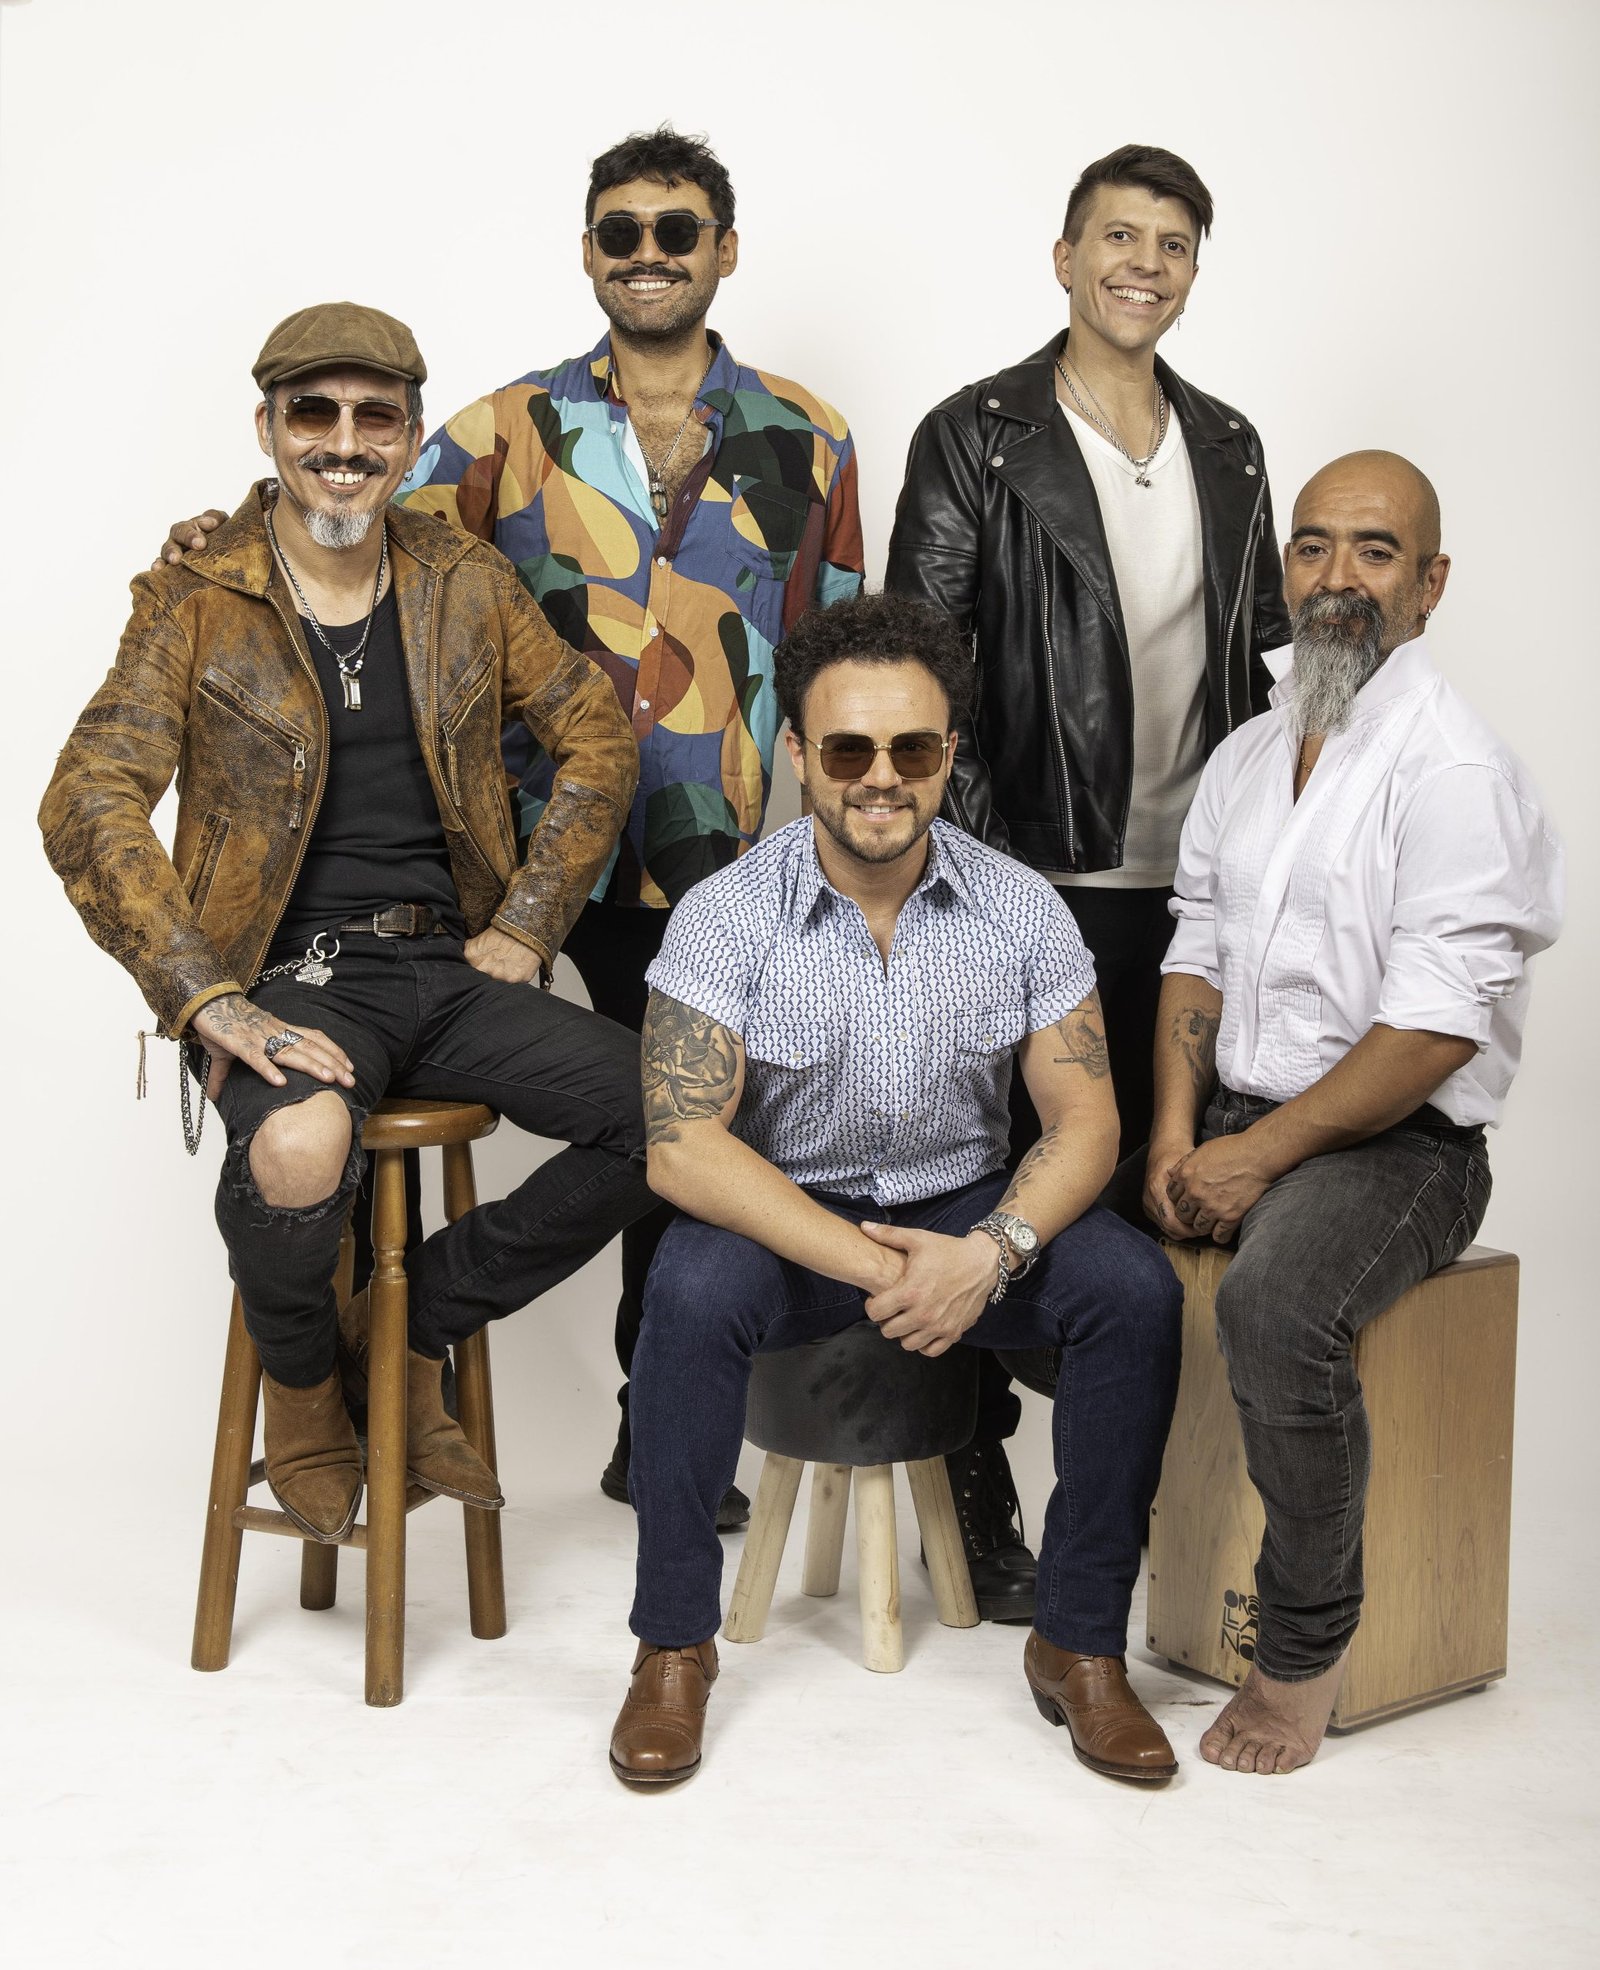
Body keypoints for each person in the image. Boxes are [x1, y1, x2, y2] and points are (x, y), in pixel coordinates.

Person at [159, 129, 864, 1528]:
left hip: (714, 859)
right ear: (588, 250)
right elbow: (343, 528)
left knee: (690, 1124)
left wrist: (837, 840)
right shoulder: (490, 432)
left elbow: (832, 652)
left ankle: (659, 1426)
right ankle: (356, 1360)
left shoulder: (810, 435)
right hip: (516, 863)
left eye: (678, 230)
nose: (649, 254)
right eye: (622, 231)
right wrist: (212, 544)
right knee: (609, 1118)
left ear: (724, 249)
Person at [45, 302, 654, 1542]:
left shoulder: (462, 578)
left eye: (375, 417)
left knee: (677, 1112)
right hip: (285, 973)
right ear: (267, 427)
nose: (343, 441)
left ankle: (407, 1324)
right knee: (300, 1145)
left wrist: (531, 919)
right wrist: (203, 993)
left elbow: (596, 734)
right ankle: (306, 1385)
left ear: (410, 438)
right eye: (312, 413)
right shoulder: (194, 595)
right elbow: (87, 795)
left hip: (450, 961)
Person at [607, 593, 1184, 1790]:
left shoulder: (1019, 905)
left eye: (912, 748)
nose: (881, 777)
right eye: (848, 749)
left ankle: (1080, 1643)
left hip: (968, 1208)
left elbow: (1087, 1120)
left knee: (1133, 1292)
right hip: (790, 1220)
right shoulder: (727, 914)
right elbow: (683, 1148)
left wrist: (990, 1251)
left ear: (948, 754)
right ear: (799, 752)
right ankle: (671, 1645)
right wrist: (886, 1268)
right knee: (688, 1292)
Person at [885, 144, 1291, 1623]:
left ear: (1192, 271)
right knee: (1001, 1171)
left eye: (1172, 244)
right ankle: (975, 1482)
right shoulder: (975, 435)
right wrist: (984, 879)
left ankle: (1135, 1516)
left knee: (1143, 1183)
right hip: (1033, 871)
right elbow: (922, 669)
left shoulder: (1229, 441)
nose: (1144, 264)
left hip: (1192, 887)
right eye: (1119, 236)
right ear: (1065, 258)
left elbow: (1263, 658)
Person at [1146, 450, 1563, 1774]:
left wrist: (1253, 1157)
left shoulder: (1455, 771)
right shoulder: (1250, 753)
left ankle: (1301, 1650)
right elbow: (1195, 946)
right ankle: (1098, 1597)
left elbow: (1433, 1029)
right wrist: (1173, 1135)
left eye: (1375, 552)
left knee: (1275, 1305)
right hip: (1234, 1107)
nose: (1338, 577)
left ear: (1430, 584)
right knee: (1069, 1254)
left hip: (1402, 1145)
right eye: (1314, 545)